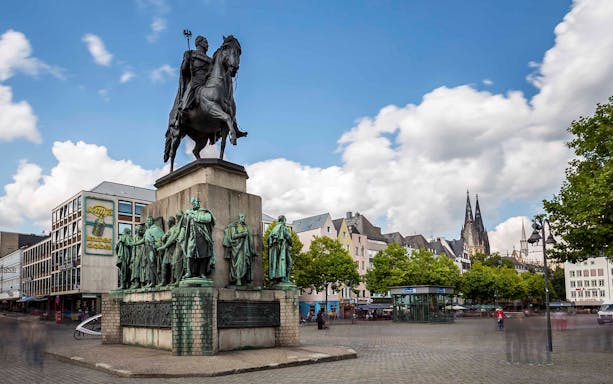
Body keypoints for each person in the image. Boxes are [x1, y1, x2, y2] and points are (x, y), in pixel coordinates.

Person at [182, 196, 216, 278]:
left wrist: (193, 215)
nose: (194, 204)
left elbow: (208, 219)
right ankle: (189, 272)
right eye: (193, 202)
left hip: (202, 237)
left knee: (203, 255)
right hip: (192, 237)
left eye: (196, 202)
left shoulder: (204, 212)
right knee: (190, 254)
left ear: (199, 202)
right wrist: (186, 215)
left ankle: (202, 273)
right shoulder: (189, 213)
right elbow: (184, 224)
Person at [223, 213, 256, 286]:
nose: (243, 218)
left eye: (244, 217)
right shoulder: (234, 226)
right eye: (241, 217)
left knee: (244, 263)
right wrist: (243, 234)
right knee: (237, 264)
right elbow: (233, 236)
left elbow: (249, 239)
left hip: (244, 248)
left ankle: (242, 279)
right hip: (236, 248)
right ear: (239, 218)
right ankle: (237, 279)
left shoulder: (245, 227)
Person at [268, 215, 293, 283]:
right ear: (283, 220)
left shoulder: (274, 229)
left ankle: (278, 278)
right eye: (285, 220)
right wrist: (291, 242)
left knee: (278, 263)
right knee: (289, 263)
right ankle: (285, 278)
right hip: (283, 249)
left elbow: (269, 239)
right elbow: (288, 237)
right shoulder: (283, 227)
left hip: (276, 250)